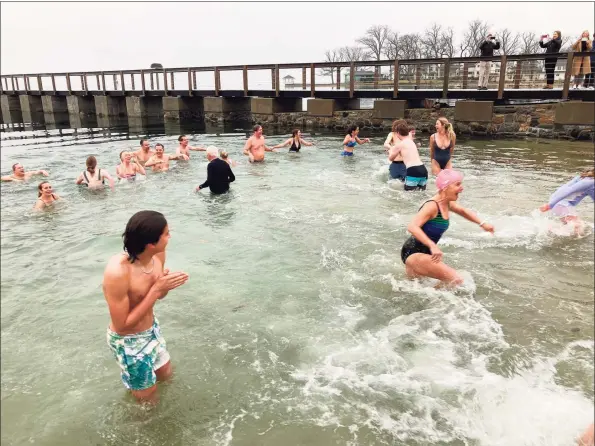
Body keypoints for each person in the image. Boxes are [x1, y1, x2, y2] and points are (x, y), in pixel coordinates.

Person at [103, 210, 189, 404]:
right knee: (148, 401)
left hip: (152, 330)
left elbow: (159, 295)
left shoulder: (157, 256)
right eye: (166, 234)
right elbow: (123, 326)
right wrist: (157, 291)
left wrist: (165, 285)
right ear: (151, 243)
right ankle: (139, 426)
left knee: (166, 375)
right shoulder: (118, 271)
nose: (170, 237)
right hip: (128, 342)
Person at [401, 169, 494, 288]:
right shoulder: (432, 206)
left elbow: (462, 211)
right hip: (413, 252)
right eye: (457, 184)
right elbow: (412, 226)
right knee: (456, 280)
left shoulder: (446, 202)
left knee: (414, 288)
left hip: (424, 252)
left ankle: (433, 299)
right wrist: (432, 245)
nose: (461, 188)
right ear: (445, 187)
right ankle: (438, 301)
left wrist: (483, 223)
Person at [539, 168, 594, 232]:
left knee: (570, 226)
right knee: (578, 226)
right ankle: (547, 231)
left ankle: (548, 230)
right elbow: (568, 190)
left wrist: (552, 203)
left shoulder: (583, 177)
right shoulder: (590, 182)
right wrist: (550, 205)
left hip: (558, 202)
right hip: (561, 204)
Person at [388, 120, 428, 191]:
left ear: (397, 133)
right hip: (423, 169)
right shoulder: (411, 141)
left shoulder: (399, 145)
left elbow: (391, 158)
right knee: (421, 193)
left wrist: (390, 150)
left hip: (413, 170)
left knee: (408, 195)